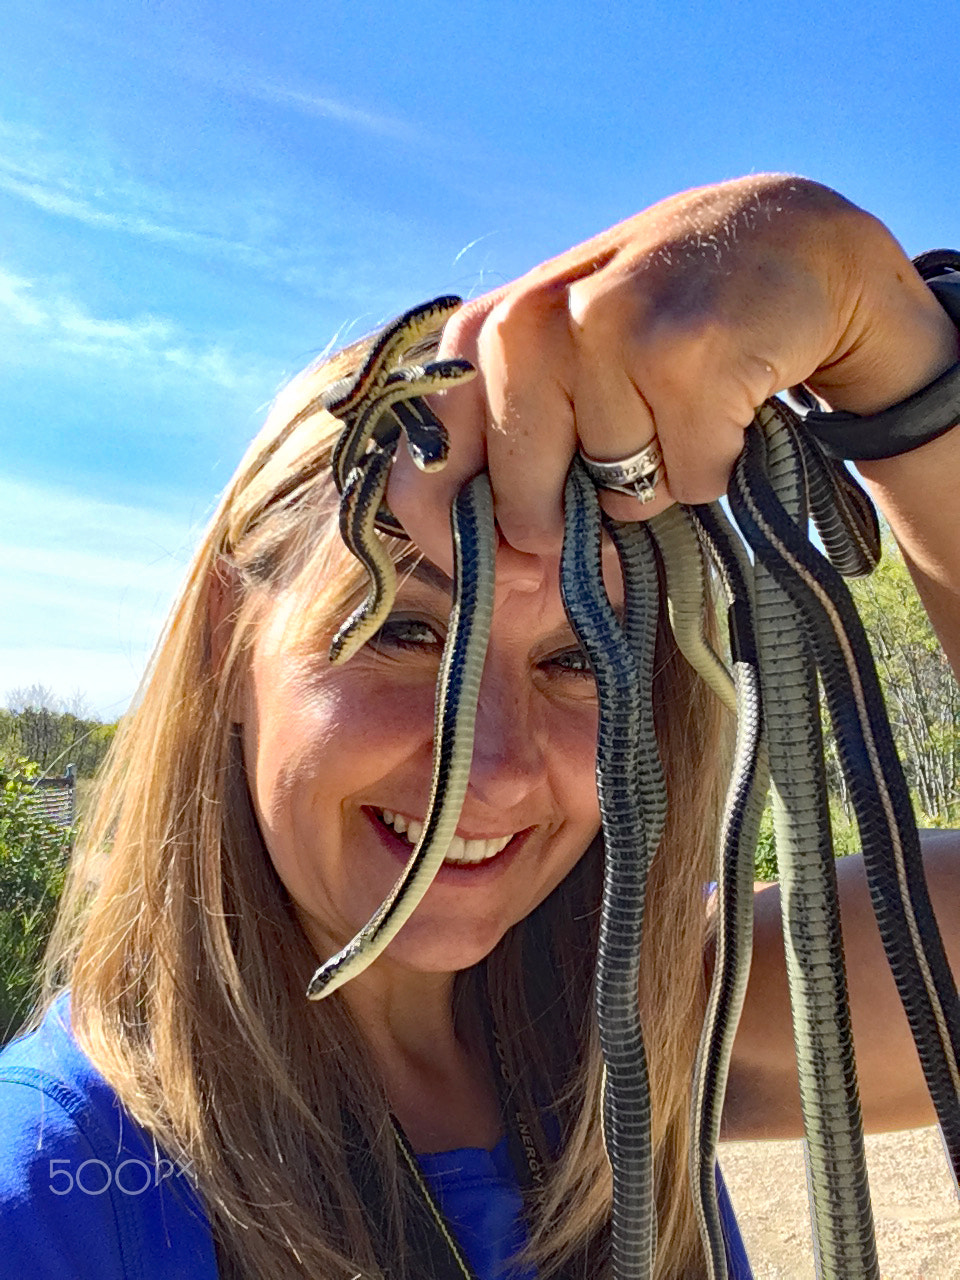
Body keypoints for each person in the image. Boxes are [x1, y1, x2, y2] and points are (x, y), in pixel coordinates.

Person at [1, 173, 958, 1280]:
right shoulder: (53, 1199)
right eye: (406, 634)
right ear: (227, 647)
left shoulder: (647, 1023)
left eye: (574, 659)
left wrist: (895, 346)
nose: (492, 769)